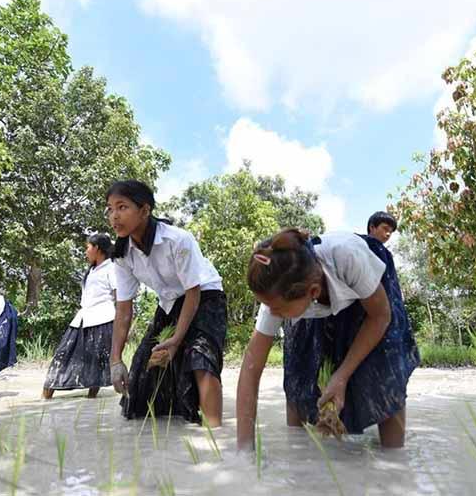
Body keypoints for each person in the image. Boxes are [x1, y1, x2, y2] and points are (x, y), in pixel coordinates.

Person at [236, 228, 419, 450]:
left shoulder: (348, 257)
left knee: (384, 367)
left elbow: (381, 317)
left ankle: (394, 455)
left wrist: (341, 377)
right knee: (298, 370)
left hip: (372, 295)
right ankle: (300, 451)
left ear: (313, 293)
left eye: (278, 310)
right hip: (308, 294)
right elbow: (251, 367)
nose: (272, 314)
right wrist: (244, 452)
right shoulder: (279, 291)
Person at [106, 180, 227, 426]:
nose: (114, 216)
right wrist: (115, 359)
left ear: (145, 210)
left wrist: (176, 340)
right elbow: (124, 309)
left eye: (122, 207)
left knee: (200, 359)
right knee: (142, 374)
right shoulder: (122, 254)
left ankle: (215, 432)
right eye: (110, 209)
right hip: (170, 303)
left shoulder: (177, 240)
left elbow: (193, 294)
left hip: (205, 297)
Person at [42, 233, 117, 399]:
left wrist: (122, 327)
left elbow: (119, 297)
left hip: (103, 319)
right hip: (83, 318)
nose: (86, 251)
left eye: (88, 247)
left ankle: (92, 398)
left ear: (97, 248)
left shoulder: (112, 268)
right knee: (62, 354)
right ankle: (45, 396)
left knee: (97, 360)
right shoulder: (92, 270)